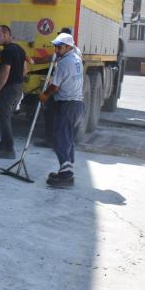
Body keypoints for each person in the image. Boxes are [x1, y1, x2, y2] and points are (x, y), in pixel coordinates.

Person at [39, 32, 85, 187]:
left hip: (67, 104)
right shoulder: (76, 57)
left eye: (59, 47)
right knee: (68, 139)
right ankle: (66, 169)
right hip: (77, 105)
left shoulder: (65, 63)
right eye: (55, 47)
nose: (56, 50)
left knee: (60, 138)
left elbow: (55, 86)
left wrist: (44, 95)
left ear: (68, 47)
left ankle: (66, 175)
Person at [0, 25, 27, 159]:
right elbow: (25, 69)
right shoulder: (19, 49)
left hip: (9, 89)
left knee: (4, 117)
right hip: (17, 87)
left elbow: (5, 71)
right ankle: (3, 144)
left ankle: (9, 149)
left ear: (6, 34)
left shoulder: (7, 51)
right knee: (4, 116)